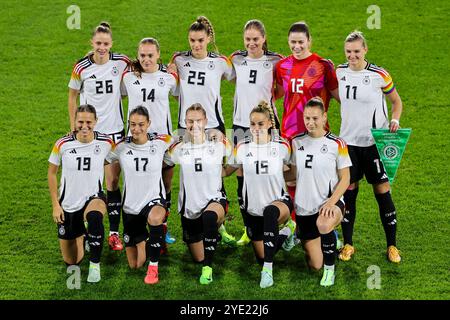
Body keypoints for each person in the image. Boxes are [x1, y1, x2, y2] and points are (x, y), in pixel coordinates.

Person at [336, 31, 403, 263]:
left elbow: (396, 102)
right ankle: (348, 244)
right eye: (349, 52)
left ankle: (392, 245)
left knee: (382, 192)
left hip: (374, 144)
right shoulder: (339, 72)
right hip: (348, 145)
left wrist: (394, 120)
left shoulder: (379, 75)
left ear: (365, 50)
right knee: (349, 194)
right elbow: (339, 97)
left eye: (356, 51)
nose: (352, 55)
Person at [169, 16, 236, 245]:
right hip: (185, 128)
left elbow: (236, 78)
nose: (196, 45)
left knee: (216, 174)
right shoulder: (179, 60)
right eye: (192, 40)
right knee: (189, 172)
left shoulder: (220, 62)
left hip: (213, 127)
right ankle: (190, 220)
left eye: (199, 40)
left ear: (208, 38)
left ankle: (219, 224)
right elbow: (174, 87)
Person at [68, 22, 130, 251]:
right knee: (89, 184)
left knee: (113, 182)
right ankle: (87, 230)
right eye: (98, 43)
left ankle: (114, 233)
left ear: (111, 44)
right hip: (90, 136)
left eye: (105, 44)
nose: (102, 47)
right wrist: (73, 126)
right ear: (91, 43)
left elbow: (142, 71)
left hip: (115, 134)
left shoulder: (121, 62)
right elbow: (72, 96)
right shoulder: (81, 67)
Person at [224, 101, 296, 288]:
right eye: (252, 124)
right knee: (262, 254)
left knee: (270, 213)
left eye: (260, 124)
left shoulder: (282, 145)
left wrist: (280, 174)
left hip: (279, 202)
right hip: (253, 209)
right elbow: (226, 171)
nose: (256, 128)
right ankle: (288, 231)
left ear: (270, 124)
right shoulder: (241, 147)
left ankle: (268, 271)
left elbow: (294, 173)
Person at [274, 21, 340, 215]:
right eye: (293, 42)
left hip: (316, 132)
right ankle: (296, 225)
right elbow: (277, 93)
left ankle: (327, 225)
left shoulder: (323, 66)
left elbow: (340, 97)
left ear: (309, 41)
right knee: (291, 178)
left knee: (317, 179)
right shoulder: (282, 66)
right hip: (289, 131)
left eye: (301, 42)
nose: (297, 46)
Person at [229, 19, 284, 246]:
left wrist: (264, 108)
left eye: (256, 39)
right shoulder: (236, 59)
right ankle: (249, 228)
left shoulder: (275, 61)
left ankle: (282, 222)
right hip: (241, 125)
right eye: (248, 39)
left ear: (263, 38)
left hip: (267, 125)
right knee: (242, 176)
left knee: (275, 172)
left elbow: (280, 89)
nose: (252, 43)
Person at [286, 97, 351, 286]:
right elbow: (293, 174)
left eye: (315, 118)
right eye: (307, 118)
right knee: (315, 264)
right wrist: (272, 173)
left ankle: (330, 272)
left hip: (329, 203)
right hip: (304, 208)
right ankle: (307, 234)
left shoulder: (337, 143)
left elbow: (345, 178)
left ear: (324, 117)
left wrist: (332, 201)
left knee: (323, 223)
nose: (310, 122)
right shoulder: (296, 142)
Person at [165, 104, 233, 285]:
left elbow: (236, 158)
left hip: (214, 201)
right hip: (190, 209)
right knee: (198, 257)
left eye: (198, 121)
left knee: (209, 217)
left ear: (206, 122)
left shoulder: (219, 143)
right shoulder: (178, 148)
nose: (194, 125)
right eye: (190, 121)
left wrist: (224, 172)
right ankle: (213, 234)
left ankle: (208, 270)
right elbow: (164, 162)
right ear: (184, 122)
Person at [122, 37, 178, 245]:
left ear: (158, 56)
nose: (146, 59)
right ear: (138, 56)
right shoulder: (128, 77)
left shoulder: (169, 77)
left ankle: (162, 228)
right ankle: (135, 228)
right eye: (143, 55)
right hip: (136, 142)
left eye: (150, 55)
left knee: (166, 183)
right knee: (137, 181)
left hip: (163, 140)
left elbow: (181, 96)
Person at [106, 106, 173, 284]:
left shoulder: (161, 141)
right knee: (134, 264)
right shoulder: (120, 146)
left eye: (141, 124)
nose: (136, 129)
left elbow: (184, 144)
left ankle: (154, 268)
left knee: (156, 218)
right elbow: (100, 157)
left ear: (149, 124)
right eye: (133, 124)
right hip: (130, 206)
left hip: (154, 200)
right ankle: (149, 239)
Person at [48, 104, 114, 283]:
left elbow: (118, 158)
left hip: (94, 197)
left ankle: (95, 266)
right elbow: (52, 173)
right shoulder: (62, 144)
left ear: (96, 122)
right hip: (68, 203)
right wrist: (56, 205)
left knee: (94, 216)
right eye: (80, 122)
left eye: (89, 122)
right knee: (72, 261)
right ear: (75, 121)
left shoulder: (106, 142)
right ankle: (83, 235)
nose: (84, 126)